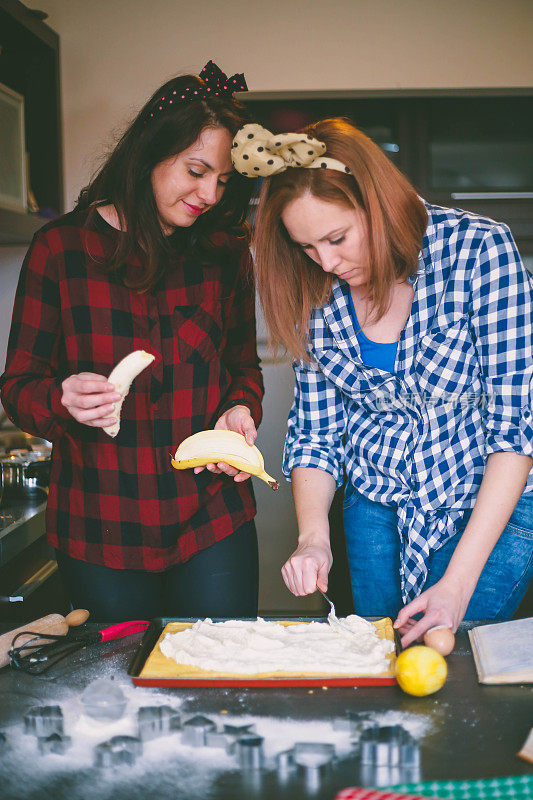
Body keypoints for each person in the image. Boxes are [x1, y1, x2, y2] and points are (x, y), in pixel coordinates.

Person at [231, 118, 533, 646]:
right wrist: (313, 539)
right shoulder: (314, 289)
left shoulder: (480, 251)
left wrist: (457, 586)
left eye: (336, 237)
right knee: (380, 652)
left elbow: (515, 433)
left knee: (454, 655)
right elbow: (317, 435)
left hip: (485, 498)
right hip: (376, 500)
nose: (326, 262)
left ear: (377, 203)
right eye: (306, 247)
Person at [0, 61, 264, 622]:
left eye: (222, 180)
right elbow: (19, 387)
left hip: (212, 521)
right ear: (149, 151)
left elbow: (243, 364)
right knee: (117, 696)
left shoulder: (225, 254)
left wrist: (241, 407)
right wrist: (61, 400)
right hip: (100, 528)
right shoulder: (61, 250)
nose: (209, 194)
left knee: (216, 684)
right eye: (196, 171)